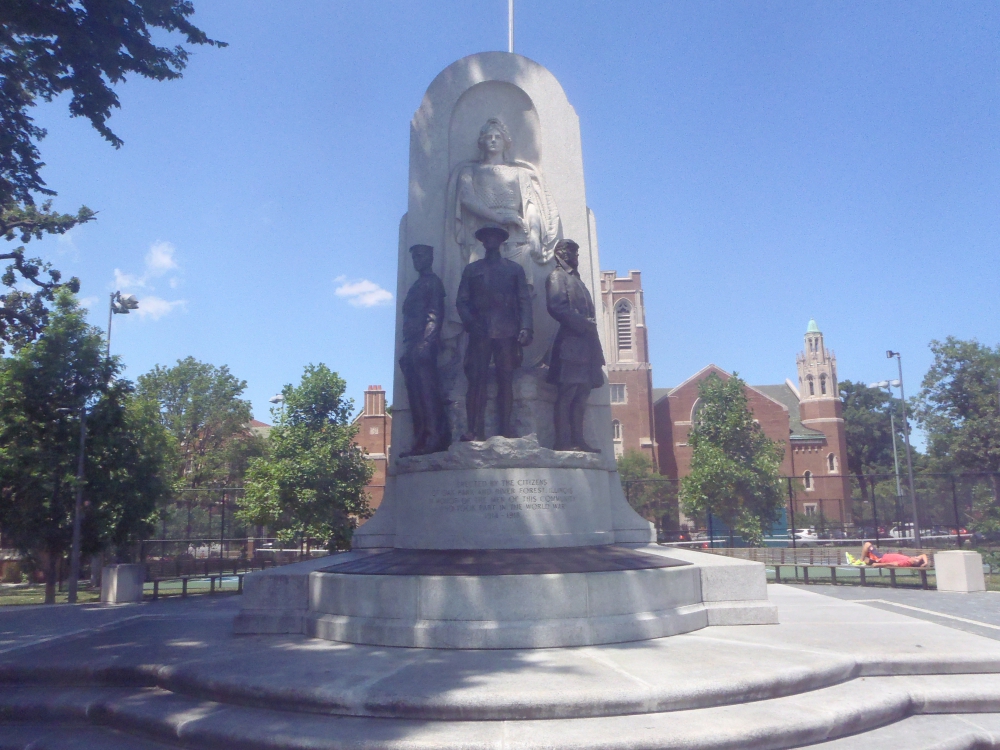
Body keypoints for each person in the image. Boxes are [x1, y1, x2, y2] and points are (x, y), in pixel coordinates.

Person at [456, 225, 533, 441]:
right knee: (476, 381)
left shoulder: (514, 269)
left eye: (495, 237)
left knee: (505, 381)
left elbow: (524, 300)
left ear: (501, 241)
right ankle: (474, 429)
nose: (491, 241)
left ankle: (505, 429)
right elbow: (462, 301)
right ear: (482, 242)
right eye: (487, 238)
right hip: (480, 332)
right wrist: (471, 323)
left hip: (507, 332)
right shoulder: (472, 270)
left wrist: (526, 327)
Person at [545, 239, 604, 452]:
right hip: (570, 344)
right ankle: (563, 441)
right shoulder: (557, 277)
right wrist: (583, 325)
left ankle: (578, 439)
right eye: (574, 254)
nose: (577, 258)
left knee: (582, 394)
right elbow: (557, 307)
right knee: (567, 393)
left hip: (586, 344)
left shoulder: (577, 280)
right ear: (563, 254)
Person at [398, 244, 450, 456]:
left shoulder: (433, 283)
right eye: (414, 257)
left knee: (428, 394)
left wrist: (426, 344)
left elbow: (435, 315)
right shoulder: (417, 284)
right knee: (415, 395)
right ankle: (420, 438)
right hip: (412, 344)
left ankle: (435, 436)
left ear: (429, 258)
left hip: (423, 345)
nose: (416, 260)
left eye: (420, 256)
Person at [861, 541, 930, 568]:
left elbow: (893, 564)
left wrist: (878, 564)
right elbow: (923, 555)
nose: (916, 557)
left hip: (880, 558)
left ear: (914, 562)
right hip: (882, 556)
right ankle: (861, 562)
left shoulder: (906, 562)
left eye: (916, 558)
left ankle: (861, 561)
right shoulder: (910, 559)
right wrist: (925, 563)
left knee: (867, 544)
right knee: (868, 559)